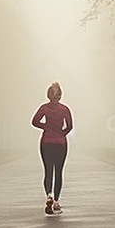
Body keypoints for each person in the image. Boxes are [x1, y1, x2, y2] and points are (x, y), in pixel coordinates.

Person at [31, 81, 73, 215]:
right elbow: (70, 126)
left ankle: (49, 195)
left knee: (48, 171)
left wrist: (46, 127)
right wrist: (61, 134)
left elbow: (34, 121)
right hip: (60, 144)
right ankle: (56, 201)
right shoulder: (64, 109)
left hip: (46, 142)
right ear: (60, 95)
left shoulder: (44, 108)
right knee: (58, 172)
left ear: (48, 95)